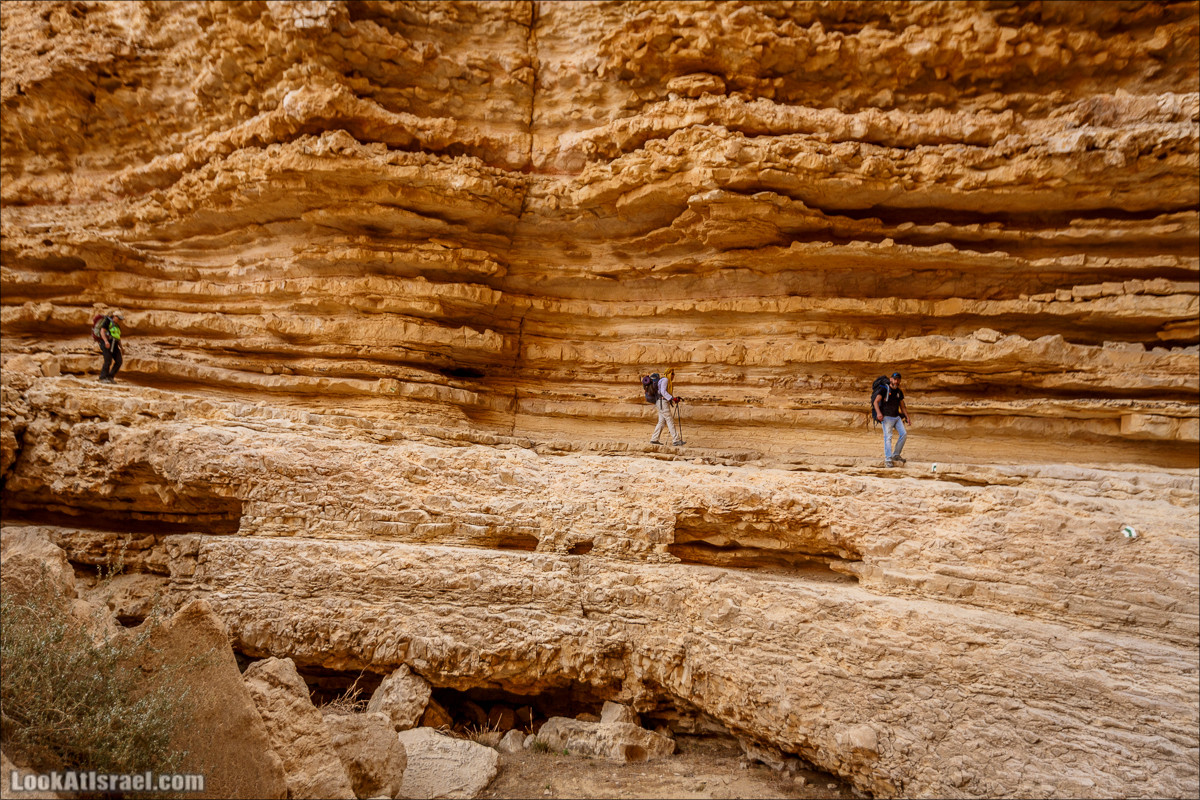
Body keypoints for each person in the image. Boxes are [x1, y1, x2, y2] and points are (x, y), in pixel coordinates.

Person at [873, 371, 910, 467]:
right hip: (887, 417)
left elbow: (902, 407)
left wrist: (907, 417)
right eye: (895, 379)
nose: (896, 381)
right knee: (888, 438)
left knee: (904, 434)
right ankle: (888, 459)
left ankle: (896, 455)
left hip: (896, 417)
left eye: (898, 379)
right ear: (891, 379)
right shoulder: (884, 389)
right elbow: (876, 402)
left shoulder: (899, 392)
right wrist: (879, 413)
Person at [649, 367, 684, 446]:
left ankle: (654, 439)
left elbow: (663, 392)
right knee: (669, 420)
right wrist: (672, 398)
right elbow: (663, 392)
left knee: (661, 422)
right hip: (663, 402)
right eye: (672, 374)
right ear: (669, 373)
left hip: (661, 402)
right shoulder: (665, 380)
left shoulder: (663, 380)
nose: (673, 376)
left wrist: (673, 398)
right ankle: (676, 440)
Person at [92, 311, 124, 383]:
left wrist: (121, 347)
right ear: (114, 316)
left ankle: (110, 377)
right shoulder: (107, 321)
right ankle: (102, 377)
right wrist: (106, 341)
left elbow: (118, 337)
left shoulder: (117, 326)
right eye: (118, 318)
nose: (119, 320)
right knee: (108, 360)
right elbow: (102, 331)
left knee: (119, 361)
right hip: (106, 343)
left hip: (114, 344)